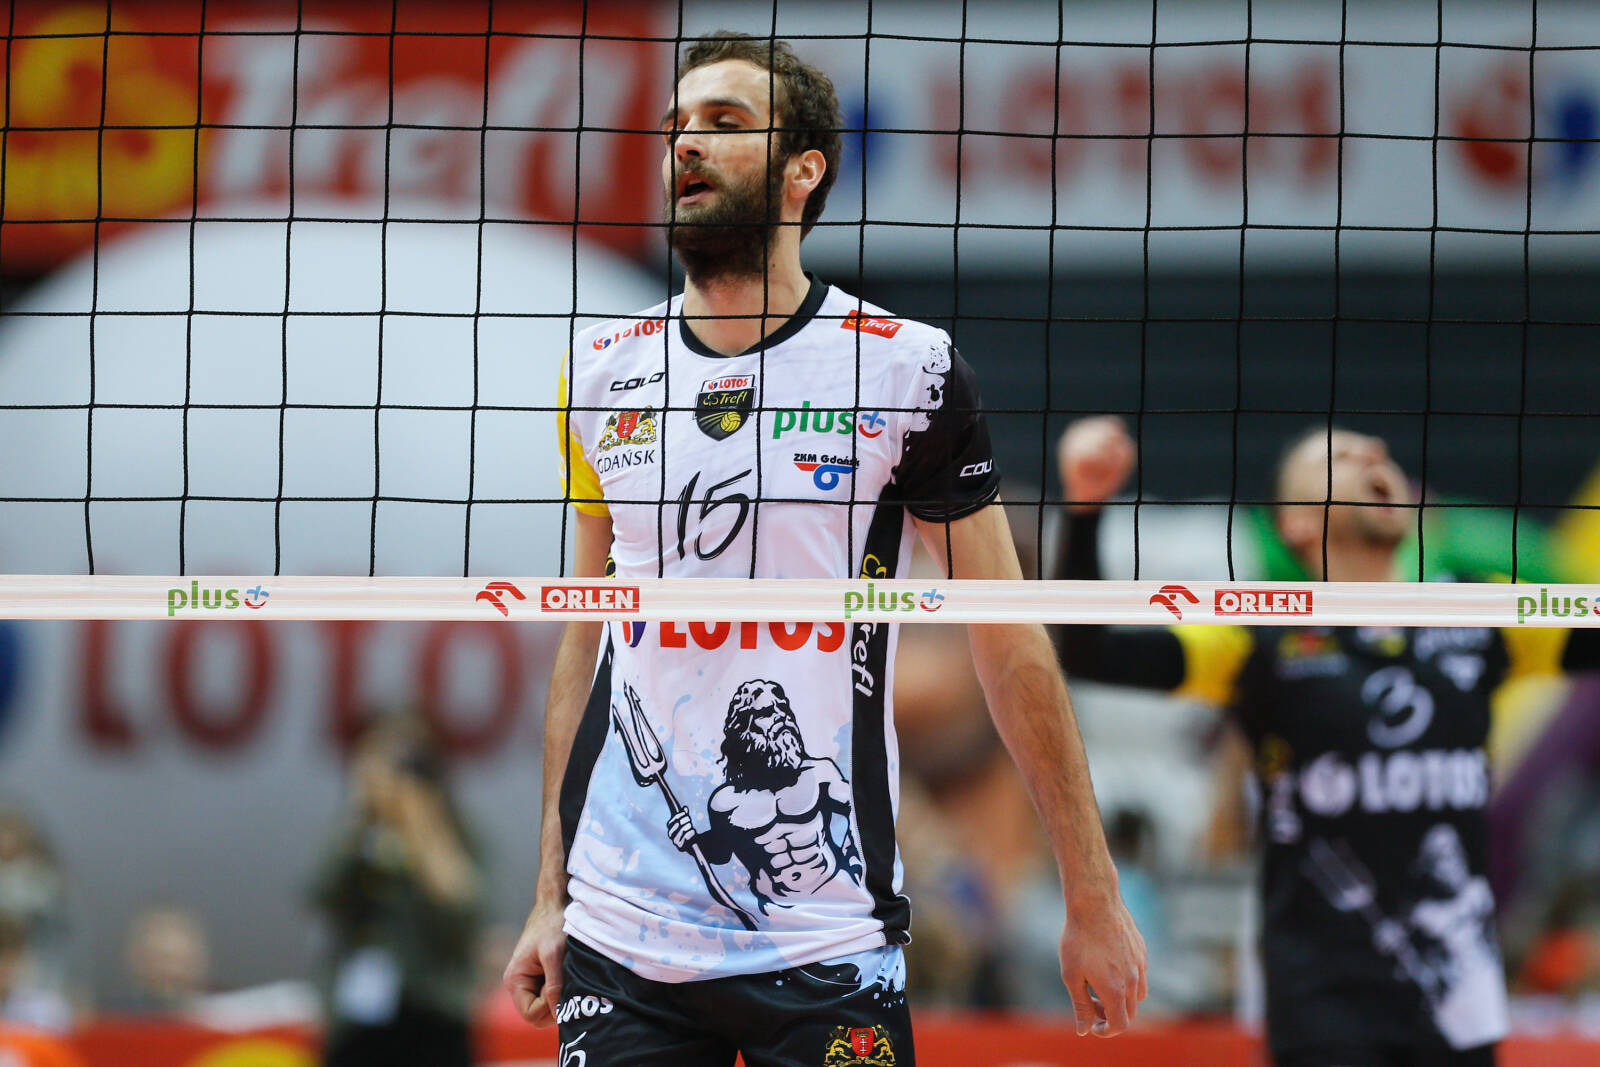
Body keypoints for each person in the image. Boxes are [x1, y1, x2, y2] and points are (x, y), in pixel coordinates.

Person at [502, 30, 1146, 1066]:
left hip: (827, 937)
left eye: (723, 122)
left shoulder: (905, 370)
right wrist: (550, 892)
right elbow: (586, 638)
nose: (686, 144)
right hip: (623, 935)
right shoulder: (599, 368)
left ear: (804, 170)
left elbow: (1008, 637)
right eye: (676, 126)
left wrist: (1091, 889)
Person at [1051, 416, 1600, 1067]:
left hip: (1460, 996)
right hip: (1324, 1005)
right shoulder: (1260, 634)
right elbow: (1090, 651)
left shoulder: (1483, 613)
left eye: (1376, 449)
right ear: (1297, 523)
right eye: (1339, 457)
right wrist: (1085, 509)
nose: (1373, 452)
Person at [312, 714, 483, 1067]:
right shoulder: (357, 835)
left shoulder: (460, 835)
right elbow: (323, 895)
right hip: (358, 1019)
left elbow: (465, 914)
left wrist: (421, 827)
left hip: (435, 1013)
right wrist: (362, 818)